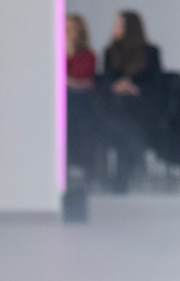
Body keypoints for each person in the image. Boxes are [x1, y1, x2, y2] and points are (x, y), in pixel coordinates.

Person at [100, 11, 163, 192]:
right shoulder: (111, 52)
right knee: (123, 120)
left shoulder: (150, 53)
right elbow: (106, 80)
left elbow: (156, 83)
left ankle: (122, 176)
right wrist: (118, 86)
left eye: (119, 25)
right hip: (117, 108)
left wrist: (134, 88)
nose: (114, 28)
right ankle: (127, 170)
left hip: (143, 106)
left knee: (127, 120)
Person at [65, 13, 96, 172]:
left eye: (70, 29)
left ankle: (76, 164)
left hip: (81, 103)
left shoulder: (87, 55)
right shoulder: (53, 54)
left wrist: (69, 53)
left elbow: (82, 78)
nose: (66, 33)